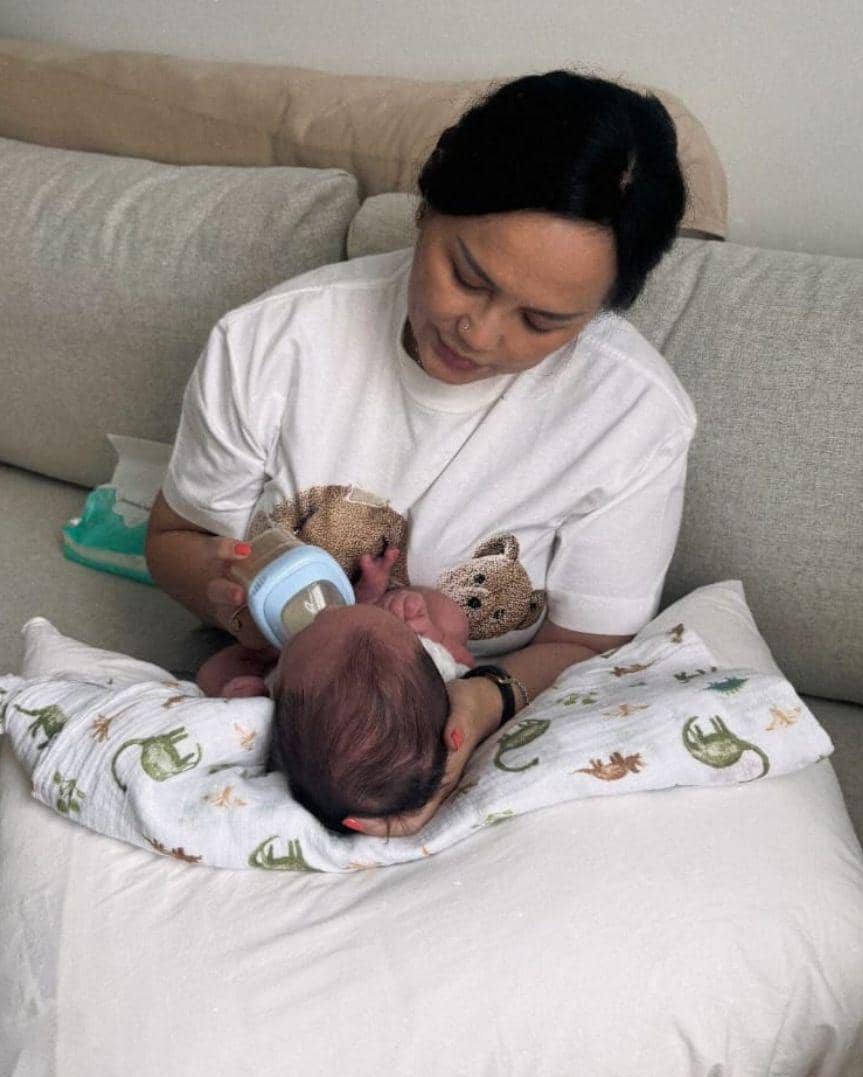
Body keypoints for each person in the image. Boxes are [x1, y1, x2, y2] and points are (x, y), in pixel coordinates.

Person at [146, 69, 696, 838]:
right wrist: (229, 605)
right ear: (426, 208)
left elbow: (590, 644)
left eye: (542, 321)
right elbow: (174, 537)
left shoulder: (634, 417)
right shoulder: (272, 343)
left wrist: (483, 699)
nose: (481, 334)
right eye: (467, 277)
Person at [196, 551, 475, 832]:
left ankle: (360, 610)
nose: (326, 609)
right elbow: (464, 664)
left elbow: (209, 677)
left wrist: (242, 702)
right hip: (382, 639)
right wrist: (432, 633)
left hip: (291, 661)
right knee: (450, 618)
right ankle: (365, 606)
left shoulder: (286, 726)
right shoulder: (437, 670)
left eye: (315, 623)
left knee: (219, 670)